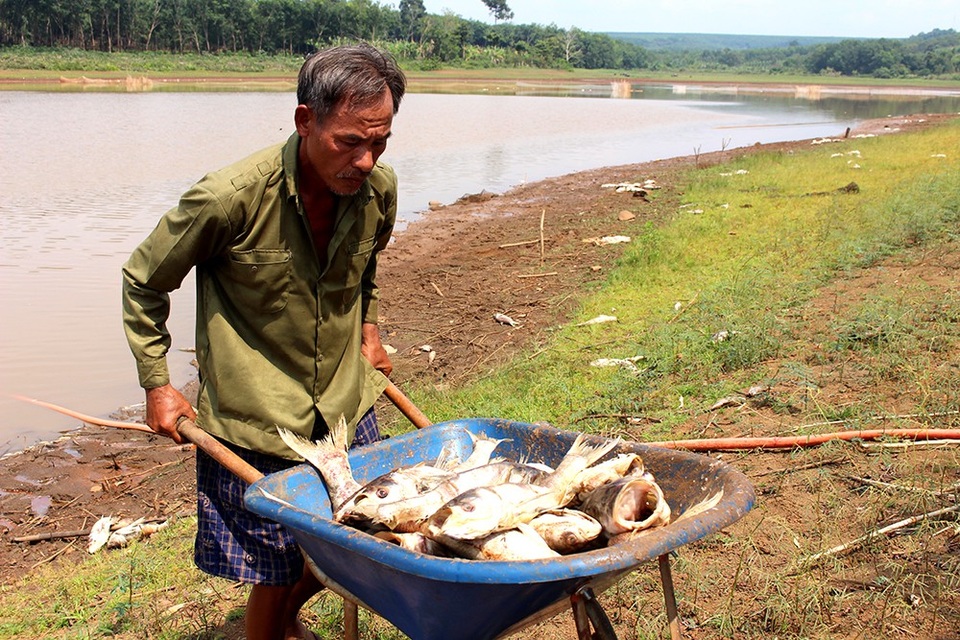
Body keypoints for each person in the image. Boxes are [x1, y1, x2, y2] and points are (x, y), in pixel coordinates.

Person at [121, 43, 406, 640]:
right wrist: (158, 385)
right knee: (273, 571)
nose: (365, 159)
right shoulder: (229, 199)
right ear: (306, 121)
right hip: (256, 420)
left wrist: (369, 330)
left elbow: (369, 266)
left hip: (345, 410)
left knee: (357, 541)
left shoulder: (378, 190)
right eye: (349, 142)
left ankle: (286, 623)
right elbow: (144, 280)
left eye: (379, 142)